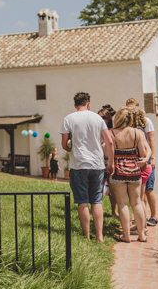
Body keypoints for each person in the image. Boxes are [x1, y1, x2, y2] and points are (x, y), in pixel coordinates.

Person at [61, 92, 114, 242]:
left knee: (82, 201)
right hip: (97, 164)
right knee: (96, 201)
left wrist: (70, 146)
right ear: (88, 103)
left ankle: (86, 236)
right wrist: (111, 162)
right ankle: (100, 236)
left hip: (78, 165)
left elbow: (64, 144)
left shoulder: (68, 118)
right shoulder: (97, 118)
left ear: (75, 104)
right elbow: (109, 141)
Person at [110, 107, 151, 243]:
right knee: (137, 203)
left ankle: (126, 236)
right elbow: (143, 154)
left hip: (118, 173)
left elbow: (108, 153)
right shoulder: (137, 133)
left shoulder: (112, 133)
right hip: (135, 172)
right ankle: (142, 235)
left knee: (122, 204)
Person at [126, 98, 158, 226]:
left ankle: (154, 216)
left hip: (147, 159)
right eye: (128, 107)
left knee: (148, 189)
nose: (131, 110)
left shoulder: (146, 121)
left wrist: (153, 157)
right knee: (139, 191)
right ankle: (140, 218)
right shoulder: (128, 122)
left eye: (132, 107)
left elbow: (151, 139)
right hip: (135, 160)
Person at [98, 104, 117, 216]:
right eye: (99, 117)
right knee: (97, 188)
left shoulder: (111, 131)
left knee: (112, 190)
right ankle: (95, 210)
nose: (100, 120)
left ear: (108, 119)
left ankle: (114, 211)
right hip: (98, 162)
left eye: (103, 117)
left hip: (109, 162)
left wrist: (111, 162)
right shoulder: (96, 131)